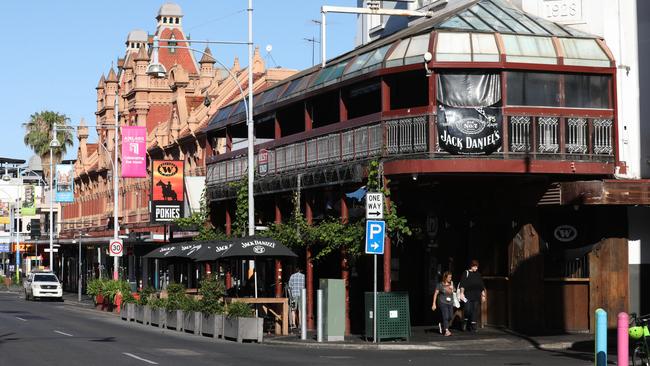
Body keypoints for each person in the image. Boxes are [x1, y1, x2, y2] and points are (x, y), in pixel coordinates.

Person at [459, 259, 486, 332]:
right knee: (467, 309)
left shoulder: (478, 274)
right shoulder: (466, 273)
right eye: (475, 267)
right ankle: (465, 321)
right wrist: (461, 293)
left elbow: (481, 285)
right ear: (471, 266)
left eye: (477, 267)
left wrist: (483, 295)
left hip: (476, 295)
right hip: (467, 295)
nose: (476, 268)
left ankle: (473, 325)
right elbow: (462, 284)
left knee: (474, 310)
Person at [432, 271, 455, 336]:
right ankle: (446, 331)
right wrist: (434, 303)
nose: (450, 278)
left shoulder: (452, 284)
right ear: (445, 277)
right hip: (442, 302)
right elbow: (435, 294)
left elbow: (454, 292)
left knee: (450, 316)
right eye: (449, 277)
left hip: (450, 302)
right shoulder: (440, 285)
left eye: (451, 277)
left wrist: (452, 289)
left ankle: (442, 324)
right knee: (446, 316)